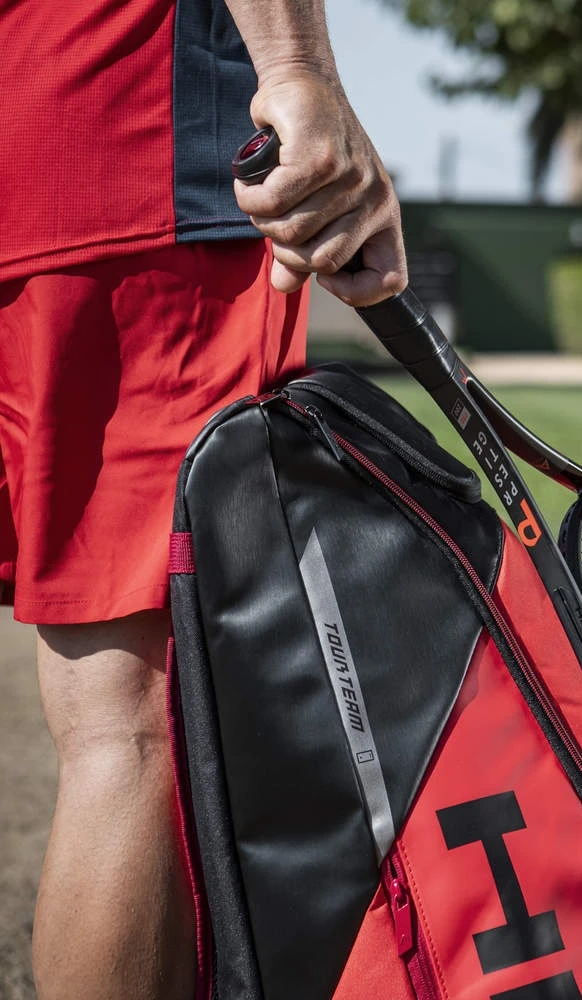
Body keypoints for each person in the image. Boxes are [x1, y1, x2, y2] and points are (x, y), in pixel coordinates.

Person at [0, 0, 407, 997]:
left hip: (38, 146)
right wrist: (298, 68)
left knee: (120, 716)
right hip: (131, 158)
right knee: (138, 718)